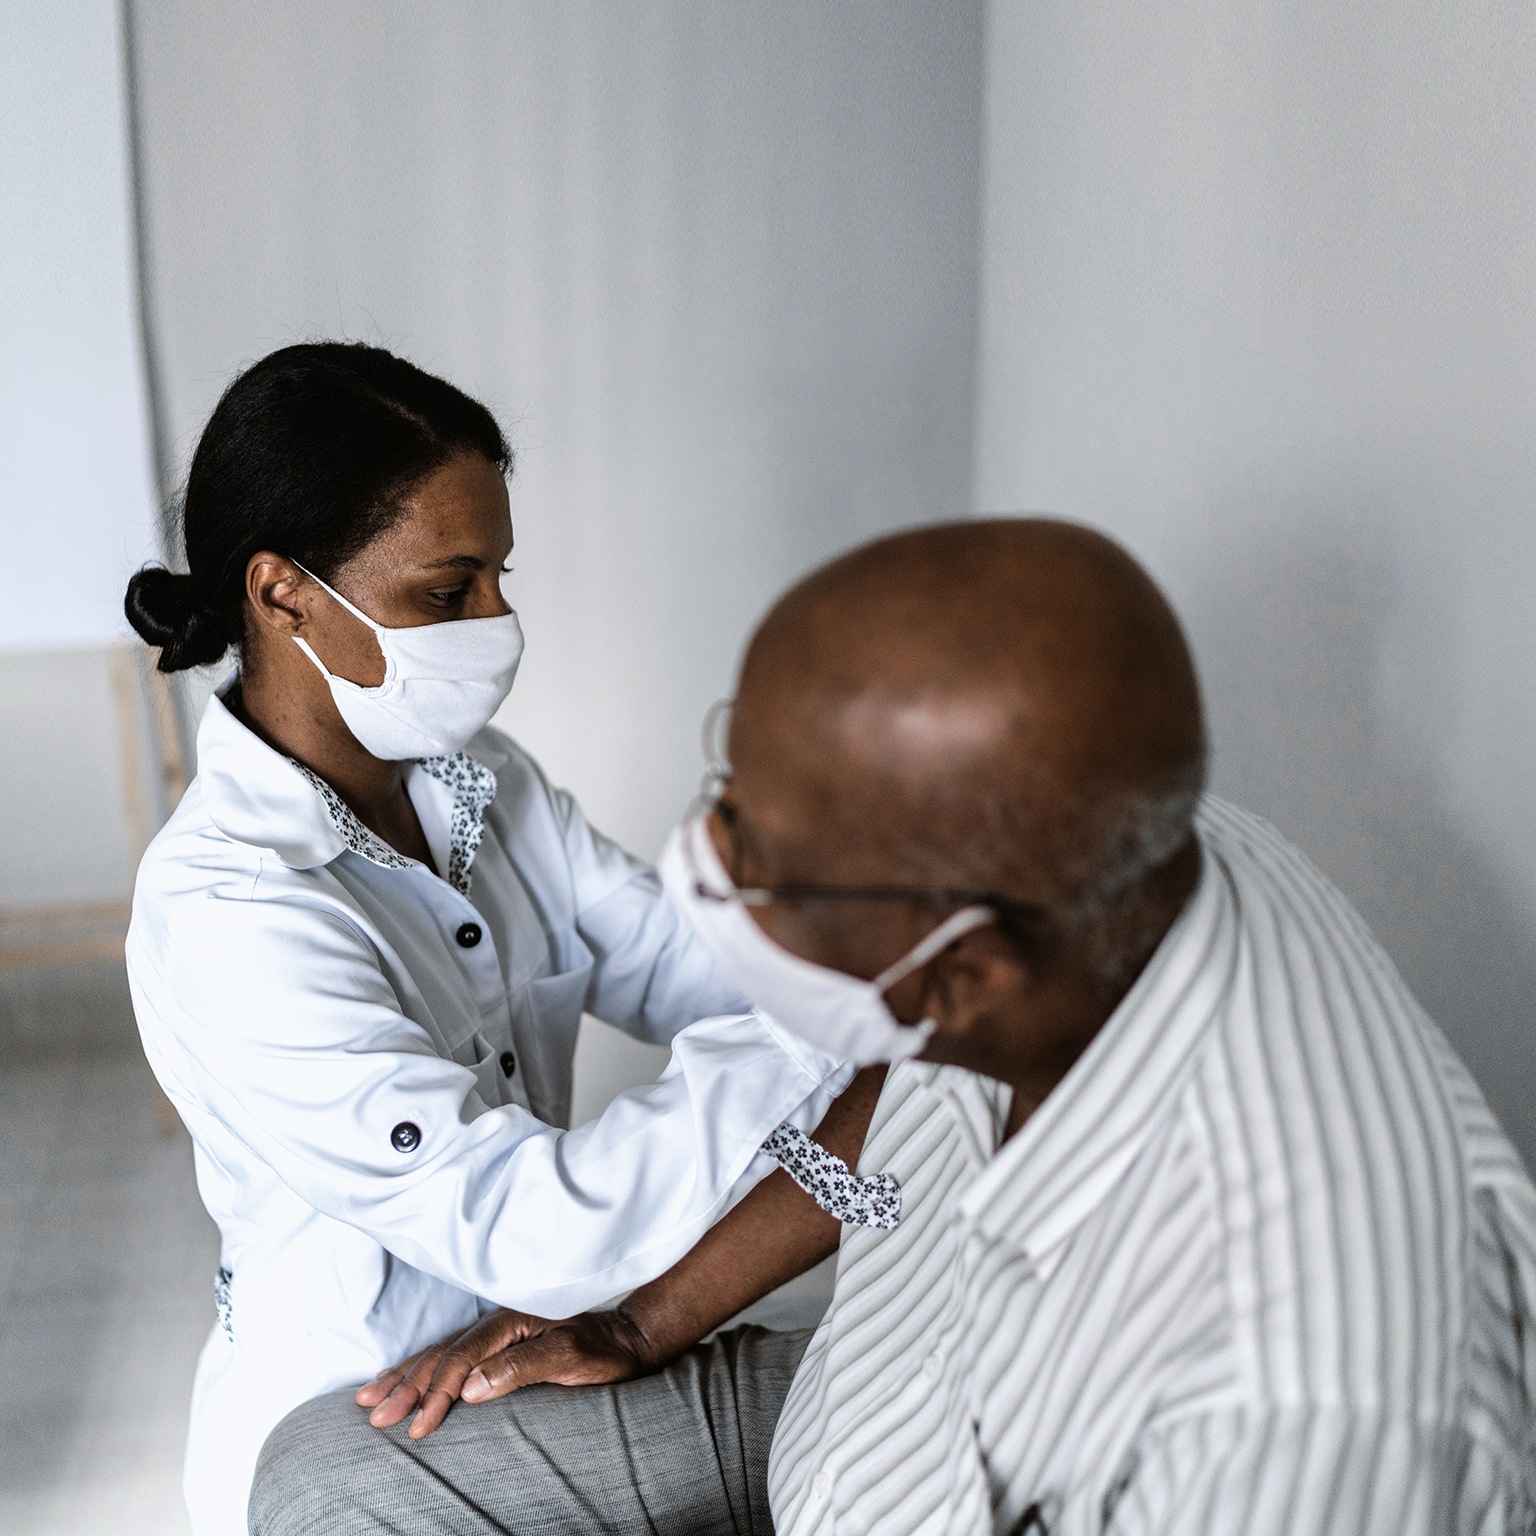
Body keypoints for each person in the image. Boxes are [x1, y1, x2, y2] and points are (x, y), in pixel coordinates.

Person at [253, 518, 1536, 1535]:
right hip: (881, 1399)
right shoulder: (1096, 874)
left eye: (760, 855)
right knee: (327, 1480)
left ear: (959, 970)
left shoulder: (1292, 1401)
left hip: (981, 1463)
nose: (705, 854)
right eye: (731, 779)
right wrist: (645, 1320)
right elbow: (901, 1092)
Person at [121, 342, 883, 1536]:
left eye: (498, 579)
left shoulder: (480, 782)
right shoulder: (232, 909)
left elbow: (695, 967)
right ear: (283, 596)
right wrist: (865, 1014)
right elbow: (533, 1227)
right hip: (375, 1418)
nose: (498, 624)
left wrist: (849, 975)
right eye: (448, 591)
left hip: (543, 1345)